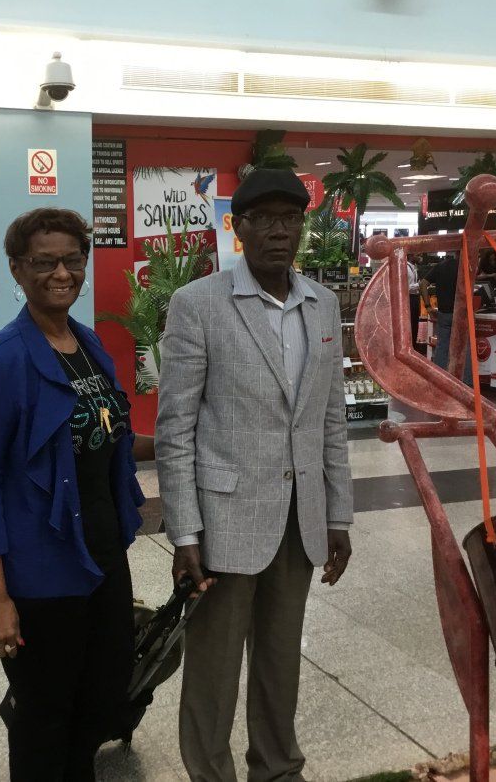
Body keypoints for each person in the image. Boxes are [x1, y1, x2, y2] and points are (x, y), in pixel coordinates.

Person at [156, 169, 353, 780]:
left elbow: (330, 421)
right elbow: (176, 430)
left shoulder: (323, 303)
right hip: (224, 522)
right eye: (263, 219)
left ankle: (277, 768)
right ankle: (210, 774)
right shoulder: (199, 304)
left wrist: (338, 515)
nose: (278, 231)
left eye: (289, 219)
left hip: (300, 520)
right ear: (238, 227)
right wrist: (185, 534)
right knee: (213, 670)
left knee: (280, 659)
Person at [0, 208, 154, 781]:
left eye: (71, 260)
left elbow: (108, 436)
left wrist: (177, 442)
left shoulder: (87, 344)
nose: (61, 273)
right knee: (45, 716)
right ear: (17, 269)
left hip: (100, 555)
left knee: (100, 700)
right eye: (44, 262)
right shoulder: (0, 361)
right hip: (36, 570)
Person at [419, 252, 473, 384]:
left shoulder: (440, 266)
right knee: (464, 348)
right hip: (461, 313)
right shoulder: (466, 268)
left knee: (442, 347)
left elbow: (423, 284)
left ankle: (439, 380)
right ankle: (466, 383)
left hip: (443, 313)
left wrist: (428, 307)